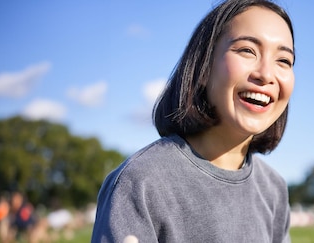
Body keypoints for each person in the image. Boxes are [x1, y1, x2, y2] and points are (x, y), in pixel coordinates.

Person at [92, 0, 296, 242]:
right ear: (204, 65)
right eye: (247, 50)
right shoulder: (141, 182)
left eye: (283, 60)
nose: (266, 74)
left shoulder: (273, 188)